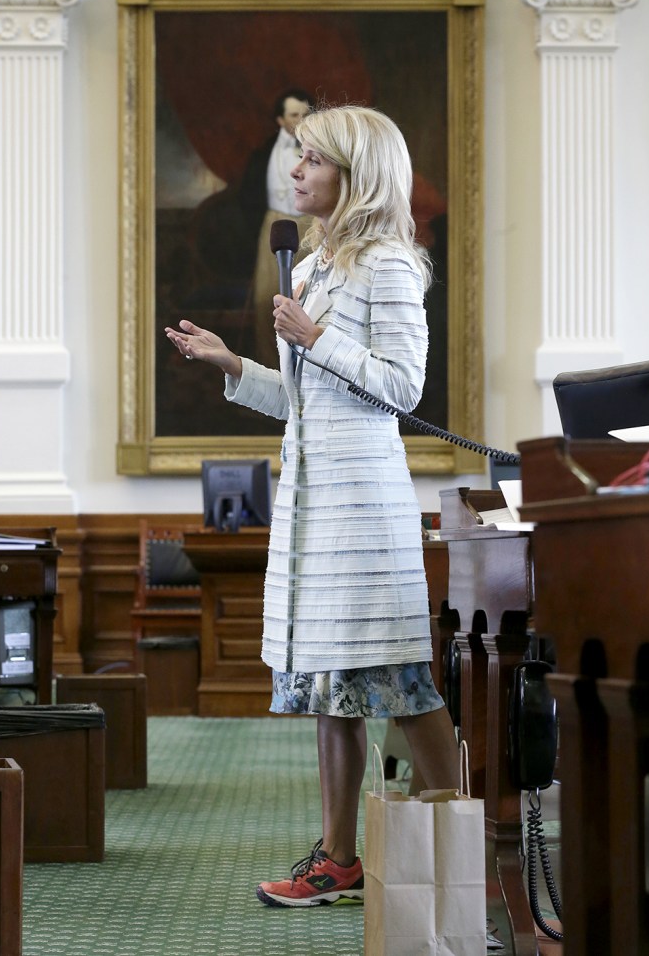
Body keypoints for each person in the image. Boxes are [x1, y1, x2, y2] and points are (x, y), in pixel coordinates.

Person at [165, 104, 460, 909]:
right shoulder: (318, 268)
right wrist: (235, 363)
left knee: (402, 680)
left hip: (364, 506)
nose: (293, 171)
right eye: (296, 157)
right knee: (333, 681)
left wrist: (312, 336)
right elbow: (308, 402)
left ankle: (474, 842)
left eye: (312, 160)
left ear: (354, 176)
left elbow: (403, 388)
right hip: (313, 504)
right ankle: (338, 859)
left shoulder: (391, 265)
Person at [239, 88, 314, 367]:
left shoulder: (318, 152)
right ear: (280, 120)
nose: (300, 120)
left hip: (310, 228)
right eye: (294, 115)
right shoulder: (262, 154)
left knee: (306, 298)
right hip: (273, 225)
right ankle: (272, 370)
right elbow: (248, 198)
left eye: (305, 114)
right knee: (266, 300)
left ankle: (304, 371)